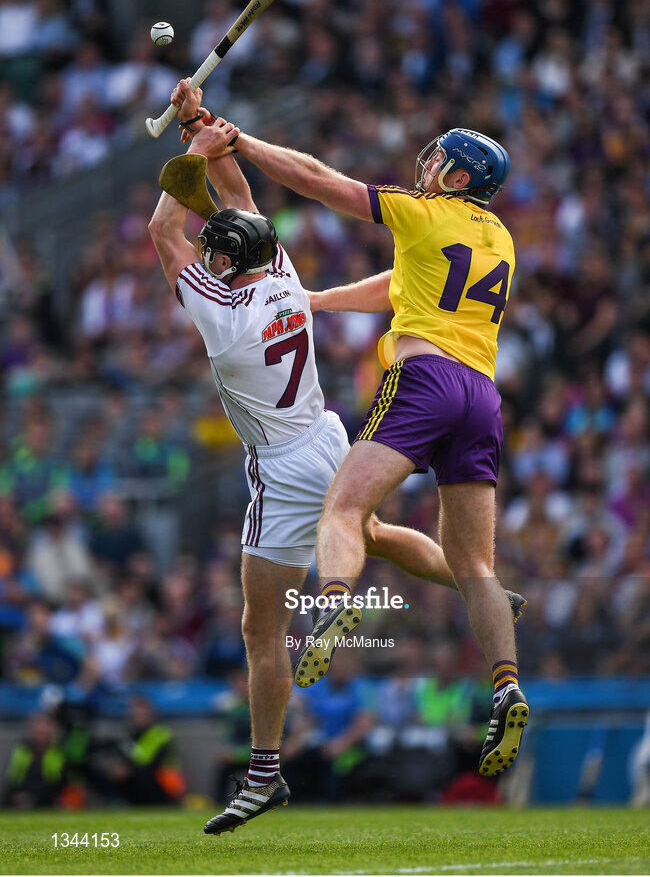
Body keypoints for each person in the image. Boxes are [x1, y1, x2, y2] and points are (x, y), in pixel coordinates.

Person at [149, 83, 526, 837]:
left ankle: (266, 770)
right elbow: (240, 199)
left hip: (283, 463)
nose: (213, 248)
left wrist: (197, 143)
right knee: (381, 534)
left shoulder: (220, 313)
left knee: (265, 626)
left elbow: (166, 230)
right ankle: (482, 595)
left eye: (218, 246)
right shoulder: (286, 274)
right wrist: (206, 129)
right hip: (352, 424)